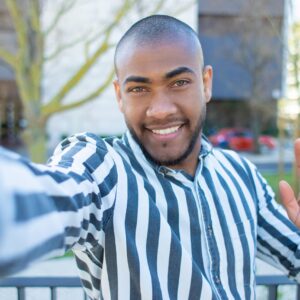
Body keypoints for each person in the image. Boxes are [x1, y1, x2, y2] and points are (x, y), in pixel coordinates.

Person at [0, 14, 300, 300]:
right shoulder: (104, 170)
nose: (160, 109)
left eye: (179, 82)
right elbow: (47, 197)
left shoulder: (240, 174)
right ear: (119, 95)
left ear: (206, 83)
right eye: (139, 88)